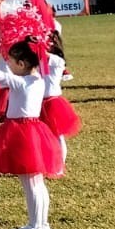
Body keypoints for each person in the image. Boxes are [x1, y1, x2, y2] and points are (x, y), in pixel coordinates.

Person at [0, 39, 65, 229]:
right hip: (33, 130)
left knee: (31, 184)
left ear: (22, 64)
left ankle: (36, 226)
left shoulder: (21, 82)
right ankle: (41, 224)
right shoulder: (38, 80)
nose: (7, 64)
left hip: (23, 133)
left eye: (10, 61)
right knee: (36, 183)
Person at [39, 31, 82, 167]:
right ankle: (49, 161)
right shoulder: (41, 61)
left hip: (53, 102)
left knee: (57, 135)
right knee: (45, 135)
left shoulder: (57, 61)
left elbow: (44, 55)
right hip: (40, 102)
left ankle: (60, 165)